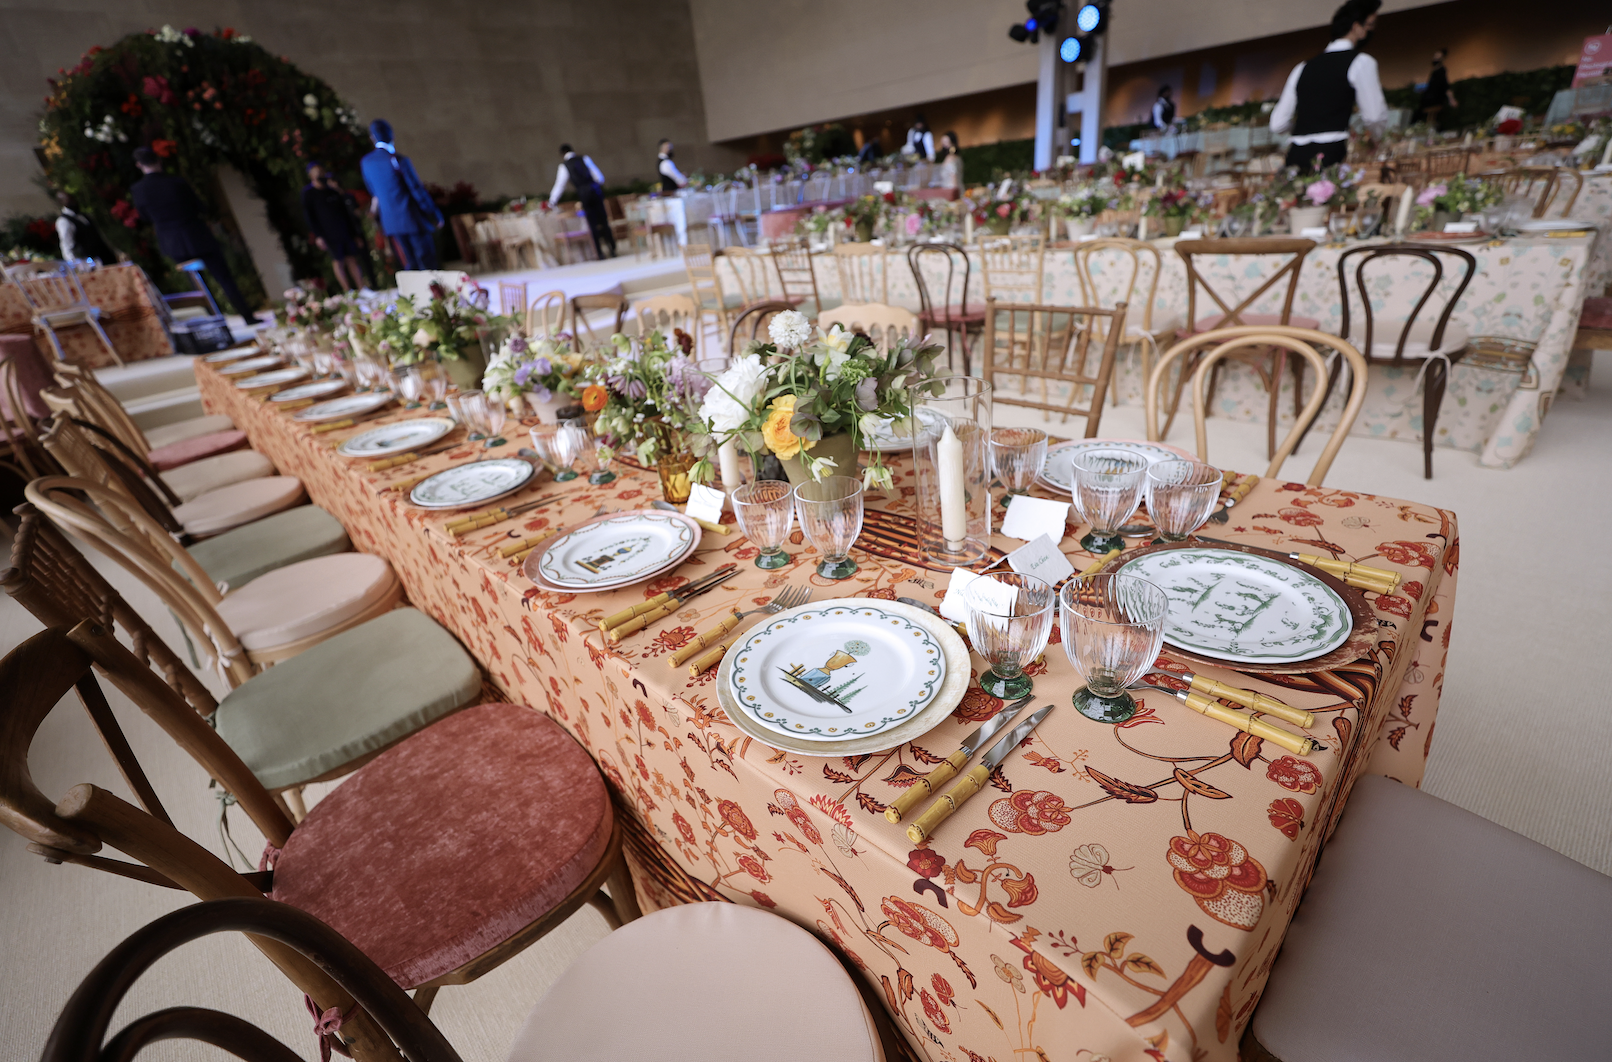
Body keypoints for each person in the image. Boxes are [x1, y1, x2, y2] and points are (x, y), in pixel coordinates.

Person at [128, 146, 254, 318]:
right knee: (224, 277)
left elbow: (144, 216)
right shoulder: (176, 182)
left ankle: (215, 321)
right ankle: (247, 315)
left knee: (197, 285)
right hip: (196, 234)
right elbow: (199, 207)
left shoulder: (138, 190)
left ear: (139, 165)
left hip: (172, 241)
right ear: (159, 161)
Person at [1269, 0, 1387, 173]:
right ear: (1356, 27)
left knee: (1295, 199)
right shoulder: (1361, 62)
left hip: (1295, 156)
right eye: (1369, 25)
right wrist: (1376, 137)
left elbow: (1277, 124)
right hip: (1331, 153)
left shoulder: (1302, 67)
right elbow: (1375, 116)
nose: (1371, 31)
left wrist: (1305, 128)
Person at [359, 119, 444, 271]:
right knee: (426, 263)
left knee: (409, 263)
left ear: (372, 138)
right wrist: (433, 213)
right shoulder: (397, 160)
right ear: (391, 135)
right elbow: (416, 189)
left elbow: (373, 192)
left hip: (391, 222)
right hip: (412, 218)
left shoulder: (366, 162)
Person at [301, 162, 369, 293]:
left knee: (352, 259)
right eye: (317, 173)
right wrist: (318, 235)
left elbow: (345, 214)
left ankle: (362, 288)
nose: (321, 175)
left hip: (343, 230)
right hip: (328, 233)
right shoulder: (308, 194)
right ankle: (348, 291)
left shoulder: (332, 192)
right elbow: (310, 217)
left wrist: (354, 234)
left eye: (322, 172)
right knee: (338, 261)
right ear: (311, 175)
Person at [548, 144, 616, 259]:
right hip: (595, 191)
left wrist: (552, 201)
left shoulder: (564, 166)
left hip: (584, 194)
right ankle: (612, 249)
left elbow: (560, 184)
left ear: (562, 154)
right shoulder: (584, 158)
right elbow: (599, 177)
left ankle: (599, 252)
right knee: (603, 221)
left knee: (592, 224)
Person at [54, 191, 114, 264]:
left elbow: (98, 235)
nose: (74, 202)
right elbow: (67, 246)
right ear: (62, 202)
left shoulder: (83, 216)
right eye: (69, 200)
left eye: (73, 199)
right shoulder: (64, 221)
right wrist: (76, 265)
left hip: (106, 255)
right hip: (92, 262)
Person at [1415, 48, 1459, 129]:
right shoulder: (1434, 71)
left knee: (1424, 113)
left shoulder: (1441, 71)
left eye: (1437, 57)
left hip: (1434, 99)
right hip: (1429, 98)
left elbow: (1445, 86)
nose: (1435, 58)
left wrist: (1451, 99)